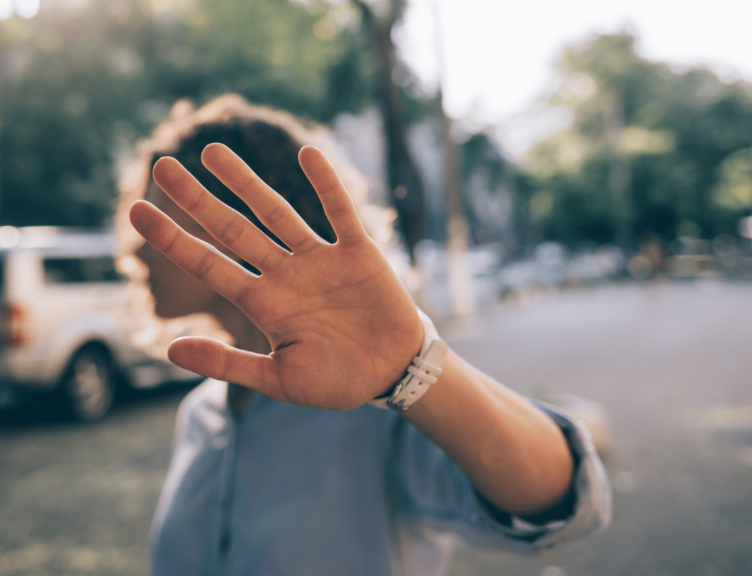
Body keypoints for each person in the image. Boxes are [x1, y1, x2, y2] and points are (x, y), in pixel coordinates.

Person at [116, 95, 610, 576]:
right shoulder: (201, 413)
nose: (136, 251)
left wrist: (410, 370)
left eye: (156, 218)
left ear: (239, 220)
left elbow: (563, 501)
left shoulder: (374, 402)